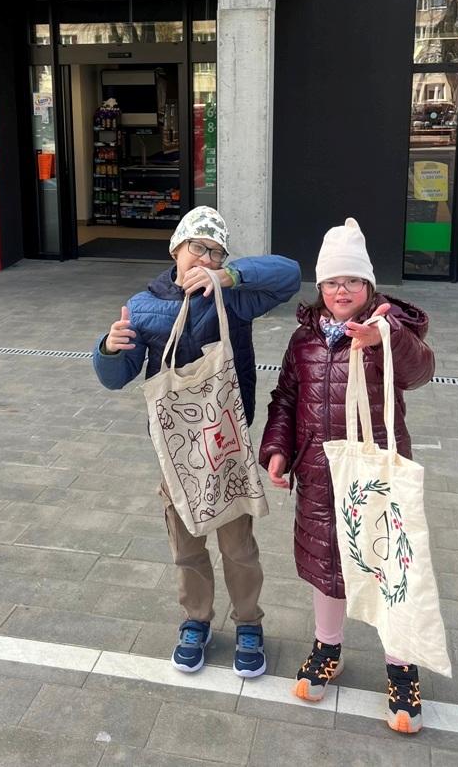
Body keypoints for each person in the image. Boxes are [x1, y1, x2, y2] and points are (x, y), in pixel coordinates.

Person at [93, 206, 301, 678]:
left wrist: (231, 276)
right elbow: (116, 377)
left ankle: (249, 622)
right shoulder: (143, 305)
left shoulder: (235, 298)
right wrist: (109, 349)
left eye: (216, 252)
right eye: (198, 248)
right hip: (176, 452)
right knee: (186, 545)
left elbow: (289, 274)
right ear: (176, 249)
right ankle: (196, 620)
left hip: (226, 447)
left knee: (238, 546)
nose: (205, 258)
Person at [259, 217, 435, 733]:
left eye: (352, 281)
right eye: (333, 282)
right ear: (321, 287)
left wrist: (386, 340)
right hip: (319, 471)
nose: (342, 291)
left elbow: (420, 372)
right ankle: (327, 647)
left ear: (368, 285)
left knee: (389, 570)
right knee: (327, 563)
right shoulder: (304, 340)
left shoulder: (388, 329)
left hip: (377, 471)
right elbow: (286, 397)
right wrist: (277, 450)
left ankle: (401, 666)